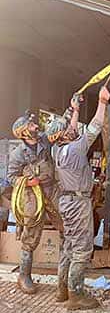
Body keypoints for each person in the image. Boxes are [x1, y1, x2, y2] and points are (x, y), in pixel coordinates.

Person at [46, 86, 110, 310]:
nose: (74, 129)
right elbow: (95, 126)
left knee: (68, 245)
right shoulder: (75, 149)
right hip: (78, 202)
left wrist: (75, 108)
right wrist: (102, 102)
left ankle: (62, 290)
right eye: (69, 129)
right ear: (64, 136)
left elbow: (70, 129)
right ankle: (76, 295)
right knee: (82, 247)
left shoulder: (58, 150)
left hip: (66, 201)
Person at [8, 111, 63, 294]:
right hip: (32, 195)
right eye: (31, 125)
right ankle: (24, 276)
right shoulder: (17, 154)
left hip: (51, 190)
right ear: (24, 132)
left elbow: (57, 127)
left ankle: (65, 276)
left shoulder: (43, 140)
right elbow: (10, 176)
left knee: (66, 225)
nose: (35, 126)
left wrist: (72, 108)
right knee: (30, 233)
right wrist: (27, 182)